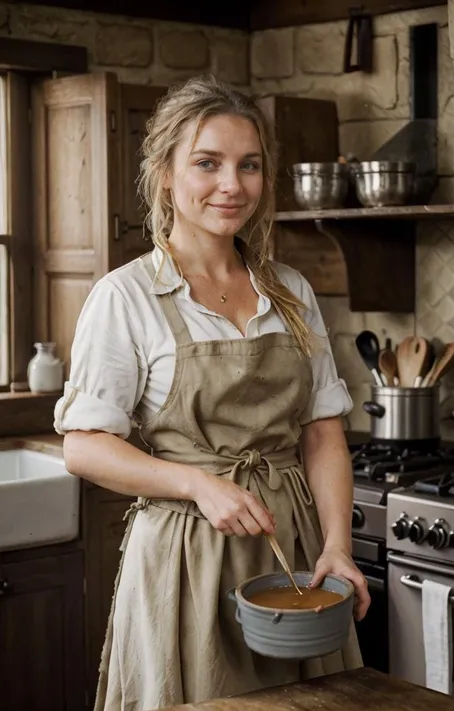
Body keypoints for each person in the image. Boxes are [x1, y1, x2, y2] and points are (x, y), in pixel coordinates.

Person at [54, 74, 370, 711]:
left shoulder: (289, 290)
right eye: (207, 163)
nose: (232, 185)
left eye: (248, 166)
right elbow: (84, 446)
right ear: (166, 173)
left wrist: (337, 545)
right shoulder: (126, 296)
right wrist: (199, 483)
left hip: (296, 547)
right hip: (185, 555)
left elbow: (322, 431)